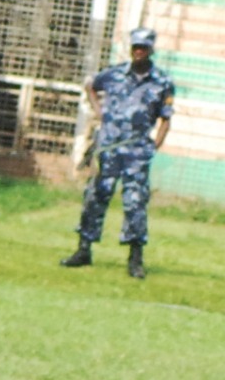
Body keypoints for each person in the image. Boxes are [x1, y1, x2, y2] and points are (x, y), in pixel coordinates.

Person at [62, 27, 175, 279]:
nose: (138, 51)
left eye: (143, 48)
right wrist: (99, 112)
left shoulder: (162, 82)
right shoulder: (114, 74)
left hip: (136, 153)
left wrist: (153, 146)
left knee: (135, 203)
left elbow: (166, 119)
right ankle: (83, 249)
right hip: (108, 149)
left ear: (151, 50)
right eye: (135, 46)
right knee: (95, 196)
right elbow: (91, 86)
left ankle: (135, 259)